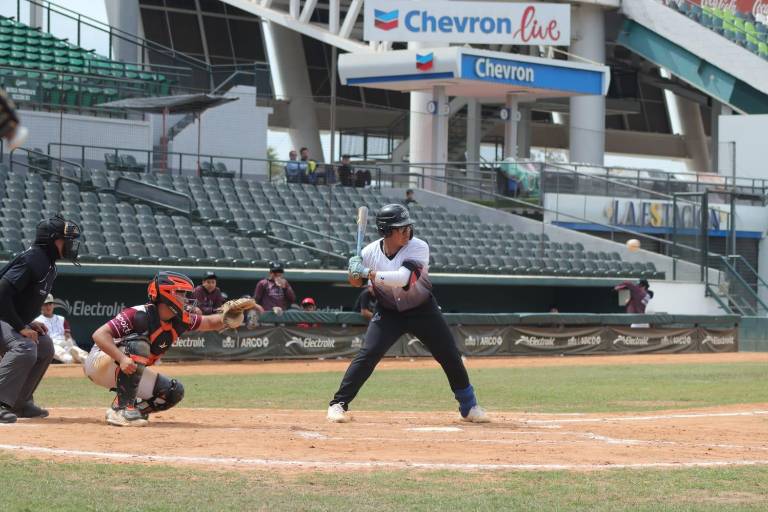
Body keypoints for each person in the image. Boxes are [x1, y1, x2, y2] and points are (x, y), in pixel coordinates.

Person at [327, 204, 489, 423]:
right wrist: (353, 269)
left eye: (408, 226)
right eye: (400, 228)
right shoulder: (368, 253)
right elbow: (355, 282)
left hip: (423, 309)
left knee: (449, 355)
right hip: (388, 312)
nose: (407, 231)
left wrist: (365, 271)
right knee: (368, 354)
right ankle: (338, 404)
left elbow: (403, 279)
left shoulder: (418, 247)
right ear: (386, 231)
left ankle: (469, 407)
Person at [83, 272, 256, 427]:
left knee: (173, 392)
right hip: (100, 363)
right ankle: (121, 410)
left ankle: (132, 410)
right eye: (181, 293)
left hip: (127, 370)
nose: (186, 298)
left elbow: (209, 322)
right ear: (167, 295)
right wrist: (121, 358)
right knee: (139, 345)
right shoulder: (138, 314)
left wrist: (228, 318)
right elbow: (99, 335)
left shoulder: (181, 318)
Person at [0, 214, 81, 423]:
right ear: (52, 241)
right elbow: (2, 293)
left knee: (45, 346)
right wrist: (20, 326)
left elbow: (17, 300)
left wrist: (27, 322)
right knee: (25, 346)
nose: (70, 245)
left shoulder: (47, 263)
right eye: (65, 240)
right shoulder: (33, 259)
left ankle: (19, 402)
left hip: (6, 319)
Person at [35, 294, 88, 364]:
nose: (48, 307)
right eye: (45, 305)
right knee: (66, 357)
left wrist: (70, 343)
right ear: (41, 306)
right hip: (51, 345)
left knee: (79, 353)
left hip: (64, 343)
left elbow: (67, 335)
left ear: (53, 305)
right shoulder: (37, 321)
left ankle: (86, 360)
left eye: (50, 304)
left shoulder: (61, 319)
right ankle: (71, 361)